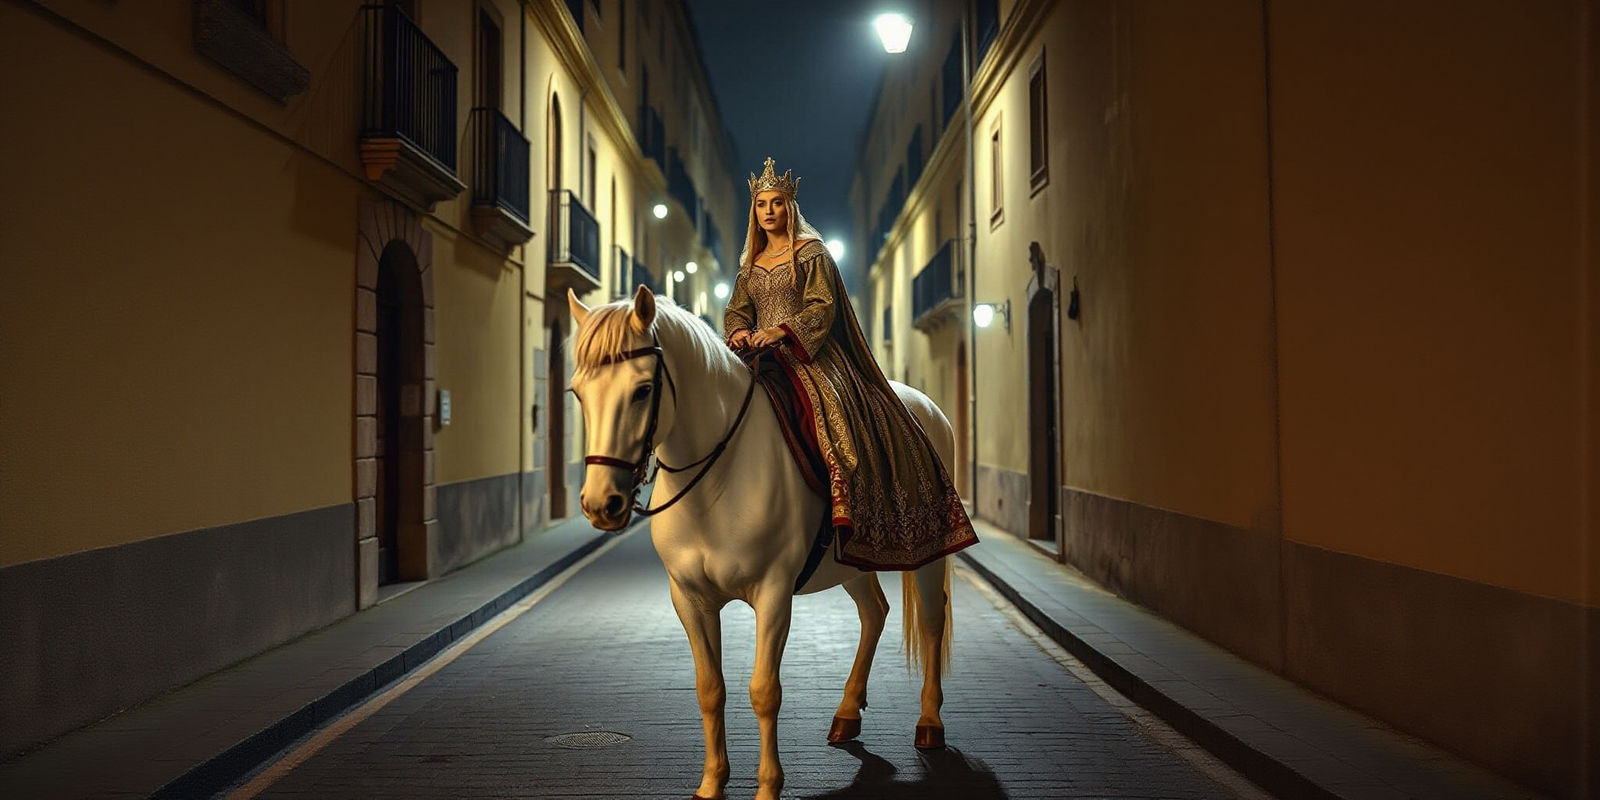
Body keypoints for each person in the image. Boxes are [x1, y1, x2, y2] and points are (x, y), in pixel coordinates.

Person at [724, 157, 977, 572]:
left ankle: (847, 502)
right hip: (758, 358)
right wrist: (738, 332)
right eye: (761, 205)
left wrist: (782, 332)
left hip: (810, 355)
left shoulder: (811, 254)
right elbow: (737, 310)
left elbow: (822, 307)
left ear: (791, 207)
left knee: (832, 416)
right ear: (754, 211)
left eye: (777, 203)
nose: (769, 211)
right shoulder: (749, 266)